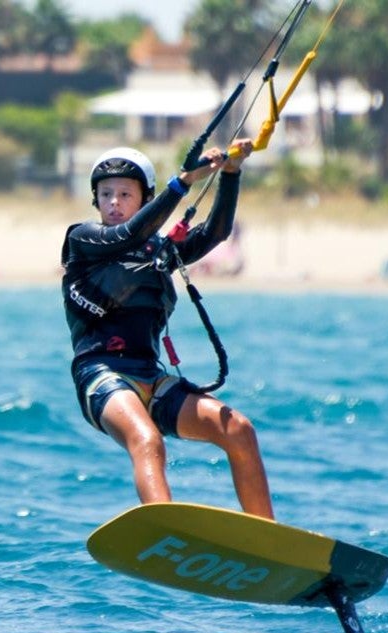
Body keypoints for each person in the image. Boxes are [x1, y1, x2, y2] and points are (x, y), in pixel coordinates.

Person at [61, 141, 274, 520]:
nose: (113, 202)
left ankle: (268, 537)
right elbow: (127, 236)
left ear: (144, 198)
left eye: (125, 194)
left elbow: (215, 233)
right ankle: (166, 527)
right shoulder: (83, 239)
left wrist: (230, 173)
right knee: (147, 440)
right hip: (101, 374)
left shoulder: (159, 252)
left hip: (151, 376)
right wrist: (185, 181)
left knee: (239, 430)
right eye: (106, 194)